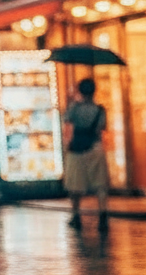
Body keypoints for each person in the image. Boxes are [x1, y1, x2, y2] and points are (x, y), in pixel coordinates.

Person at [64, 78, 110, 231]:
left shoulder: (74, 108)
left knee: (75, 183)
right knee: (100, 183)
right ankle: (103, 215)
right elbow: (101, 129)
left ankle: (76, 215)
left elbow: (67, 125)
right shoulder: (100, 110)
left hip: (77, 148)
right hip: (95, 147)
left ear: (79, 91)